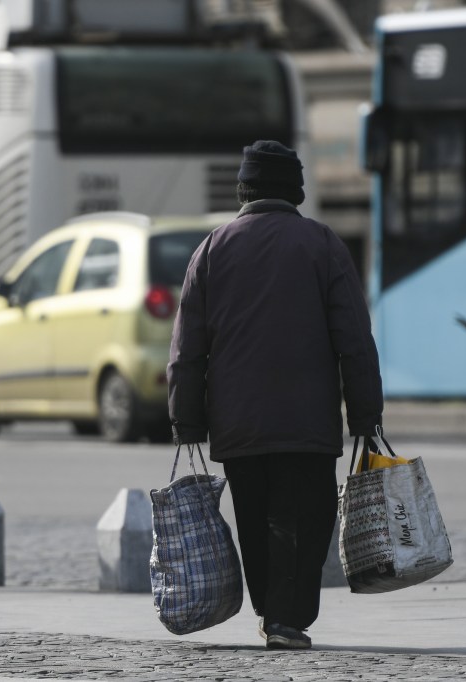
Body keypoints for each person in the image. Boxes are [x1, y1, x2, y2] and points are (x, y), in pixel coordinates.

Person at [166, 140, 383, 650]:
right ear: (295, 190)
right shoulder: (322, 244)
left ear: (244, 190)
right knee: (302, 521)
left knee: (255, 519)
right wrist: (366, 412)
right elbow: (354, 338)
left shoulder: (212, 249)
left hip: (238, 423)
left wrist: (186, 419)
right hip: (307, 422)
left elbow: (187, 347)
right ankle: (286, 618)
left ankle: (272, 614)